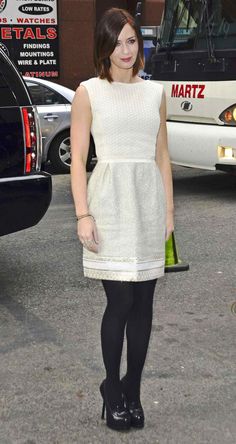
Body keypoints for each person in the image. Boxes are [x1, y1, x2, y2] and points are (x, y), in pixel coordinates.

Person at [70, 7, 174, 432]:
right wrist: (82, 215)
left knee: (145, 304)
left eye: (132, 40)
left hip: (148, 204)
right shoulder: (88, 91)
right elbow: (77, 159)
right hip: (109, 204)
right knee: (121, 301)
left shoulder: (155, 94)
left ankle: (132, 389)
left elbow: (162, 155)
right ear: (103, 45)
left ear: (140, 43)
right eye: (116, 41)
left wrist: (168, 213)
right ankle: (112, 388)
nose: (125, 49)